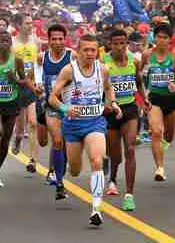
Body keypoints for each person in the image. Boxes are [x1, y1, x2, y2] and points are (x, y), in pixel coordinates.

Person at [49, 34, 122, 227]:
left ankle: (96, 209)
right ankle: (77, 165)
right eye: (86, 50)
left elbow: (108, 88)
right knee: (74, 170)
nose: (90, 53)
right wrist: (65, 108)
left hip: (95, 122)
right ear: (78, 51)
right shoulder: (68, 71)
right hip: (72, 125)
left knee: (96, 160)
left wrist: (113, 102)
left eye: (93, 50)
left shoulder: (103, 69)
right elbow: (52, 98)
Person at [139, 24, 175, 182]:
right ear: (154, 38)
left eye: (164, 37)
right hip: (154, 98)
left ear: (170, 40)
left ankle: (164, 145)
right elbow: (140, 75)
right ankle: (160, 168)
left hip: (171, 99)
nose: (161, 40)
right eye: (158, 37)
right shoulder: (147, 54)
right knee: (156, 131)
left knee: (168, 137)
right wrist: (144, 94)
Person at [102, 29, 144, 211]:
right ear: (110, 44)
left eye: (122, 43)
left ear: (127, 43)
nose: (119, 47)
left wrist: (146, 98)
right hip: (110, 111)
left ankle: (129, 195)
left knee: (130, 148)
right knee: (115, 155)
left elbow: (139, 81)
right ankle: (112, 176)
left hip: (130, 109)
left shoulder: (134, 61)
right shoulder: (103, 62)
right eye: (116, 43)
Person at [0, 30, 34, 187]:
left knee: (6, 140)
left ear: (10, 43)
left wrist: (14, 79)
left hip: (12, 102)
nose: (5, 43)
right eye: (2, 40)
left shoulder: (17, 60)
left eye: (8, 41)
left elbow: (24, 81)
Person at [39, 24, 76, 200]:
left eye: (61, 39)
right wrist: (37, 86)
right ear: (49, 40)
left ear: (65, 39)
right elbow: (35, 77)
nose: (58, 42)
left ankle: (58, 170)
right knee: (57, 140)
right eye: (54, 39)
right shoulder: (42, 57)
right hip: (51, 106)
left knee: (69, 143)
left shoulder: (72, 56)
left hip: (70, 106)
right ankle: (60, 183)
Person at [12, 14, 40, 174]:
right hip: (17, 86)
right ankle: (17, 139)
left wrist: (38, 82)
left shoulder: (35, 42)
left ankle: (33, 160)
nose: (30, 26)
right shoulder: (12, 44)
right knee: (20, 127)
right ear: (19, 25)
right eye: (27, 23)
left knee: (33, 123)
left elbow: (38, 64)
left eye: (31, 23)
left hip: (31, 86)